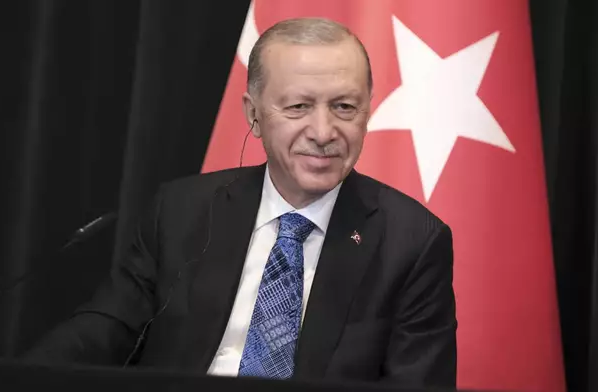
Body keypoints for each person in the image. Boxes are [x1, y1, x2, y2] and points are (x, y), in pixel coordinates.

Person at [23, 17, 457, 388]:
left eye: (344, 107)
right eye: (298, 107)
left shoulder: (412, 242)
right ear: (253, 114)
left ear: (366, 112)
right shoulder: (182, 209)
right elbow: (105, 330)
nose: (324, 132)